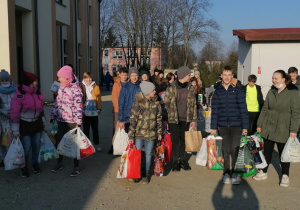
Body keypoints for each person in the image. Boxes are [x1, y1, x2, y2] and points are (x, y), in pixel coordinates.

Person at [253, 70, 300, 187]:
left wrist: (294, 130)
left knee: (284, 154)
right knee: (266, 152)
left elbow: (296, 113)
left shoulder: (293, 93)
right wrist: (259, 124)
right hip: (269, 126)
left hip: (284, 127)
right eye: (273, 78)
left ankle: (285, 175)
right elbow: (265, 109)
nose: (273, 80)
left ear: (283, 79)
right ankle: (263, 172)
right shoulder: (271, 91)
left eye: (276, 78)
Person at [210, 66, 248, 185]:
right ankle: (226, 172)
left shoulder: (238, 90)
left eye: (229, 75)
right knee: (225, 150)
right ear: (221, 76)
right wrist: (213, 127)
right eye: (224, 75)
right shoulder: (217, 92)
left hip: (237, 125)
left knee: (235, 150)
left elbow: (243, 109)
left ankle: (236, 173)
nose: (226, 77)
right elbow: (214, 110)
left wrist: (245, 127)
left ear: (232, 76)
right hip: (222, 126)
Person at [10, 71, 46, 177]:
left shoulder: (38, 92)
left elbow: (42, 109)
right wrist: (15, 130)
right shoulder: (19, 95)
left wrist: (43, 122)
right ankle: (23, 167)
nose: (37, 82)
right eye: (35, 81)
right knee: (26, 147)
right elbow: (14, 113)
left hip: (37, 123)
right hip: (25, 124)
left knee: (36, 145)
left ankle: (34, 164)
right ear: (29, 82)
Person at [50, 65, 83, 177]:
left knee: (74, 144)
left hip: (72, 122)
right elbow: (57, 103)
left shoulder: (76, 89)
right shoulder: (61, 88)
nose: (58, 79)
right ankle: (59, 163)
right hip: (61, 119)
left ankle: (76, 166)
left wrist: (78, 122)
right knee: (59, 142)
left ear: (67, 78)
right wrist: (53, 114)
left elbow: (78, 106)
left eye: (60, 77)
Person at [128, 81, 162, 184]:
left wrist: (159, 132)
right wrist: (131, 135)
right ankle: (137, 173)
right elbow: (133, 119)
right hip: (139, 134)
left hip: (151, 134)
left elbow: (158, 119)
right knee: (138, 154)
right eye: (153, 90)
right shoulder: (138, 103)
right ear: (147, 92)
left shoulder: (156, 103)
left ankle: (146, 174)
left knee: (148, 154)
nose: (155, 91)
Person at [164, 66, 197, 171]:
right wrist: (167, 118)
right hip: (174, 119)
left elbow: (193, 105)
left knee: (184, 140)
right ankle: (175, 161)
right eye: (188, 75)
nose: (190, 77)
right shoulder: (171, 88)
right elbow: (166, 104)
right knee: (175, 140)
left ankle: (182, 160)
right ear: (183, 75)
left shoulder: (190, 88)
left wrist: (194, 120)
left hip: (185, 118)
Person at [81, 72, 102, 151]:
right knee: (86, 128)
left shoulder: (96, 86)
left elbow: (99, 98)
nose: (88, 80)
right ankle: (87, 145)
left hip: (94, 109)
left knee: (95, 128)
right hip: (85, 108)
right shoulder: (81, 86)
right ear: (84, 78)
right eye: (86, 78)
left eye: (90, 78)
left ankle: (96, 144)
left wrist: (99, 108)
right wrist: (81, 109)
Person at [109, 67, 128, 154]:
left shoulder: (129, 84)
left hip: (127, 109)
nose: (124, 77)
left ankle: (125, 145)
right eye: (122, 75)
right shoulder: (116, 84)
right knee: (116, 127)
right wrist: (119, 108)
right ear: (119, 74)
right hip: (118, 109)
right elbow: (114, 98)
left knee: (126, 127)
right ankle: (113, 145)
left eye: (125, 75)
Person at [0, 70, 16, 167]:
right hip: (2, 120)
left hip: (14, 119)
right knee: (3, 140)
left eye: (7, 80)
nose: (5, 82)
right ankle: (3, 158)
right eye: (3, 80)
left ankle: (13, 157)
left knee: (13, 139)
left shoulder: (16, 89)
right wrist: (5, 113)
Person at [118, 67, 141, 133]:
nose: (134, 77)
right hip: (128, 117)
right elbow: (121, 104)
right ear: (129, 76)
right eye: (132, 75)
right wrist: (121, 120)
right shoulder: (125, 88)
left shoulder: (141, 87)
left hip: (139, 118)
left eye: (136, 75)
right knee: (128, 140)